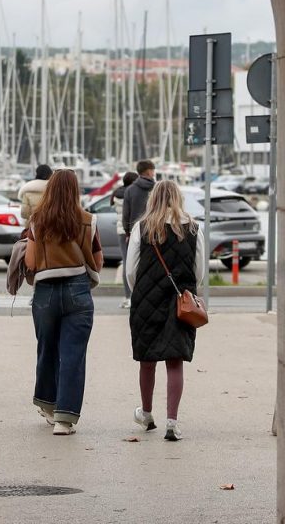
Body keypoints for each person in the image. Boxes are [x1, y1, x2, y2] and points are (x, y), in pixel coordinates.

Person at [125, 179, 207, 442]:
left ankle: (146, 413)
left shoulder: (142, 227)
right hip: (178, 302)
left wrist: (142, 290)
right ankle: (172, 422)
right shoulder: (194, 229)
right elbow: (199, 271)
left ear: (153, 199)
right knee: (175, 361)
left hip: (146, 301)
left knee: (147, 360)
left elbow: (130, 271)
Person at [25, 168, 104, 435]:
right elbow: (99, 258)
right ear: (75, 190)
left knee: (47, 349)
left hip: (46, 290)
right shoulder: (88, 220)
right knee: (73, 354)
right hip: (78, 289)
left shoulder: (37, 220)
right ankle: (64, 419)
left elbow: (31, 262)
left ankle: (47, 404)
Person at [113, 171, 138, 308]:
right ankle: (131, 296)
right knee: (134, 263)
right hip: (129, 231)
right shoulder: (131, 194)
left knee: (126, 262)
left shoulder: (116, 194)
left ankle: (127, 296)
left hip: (120, 232)